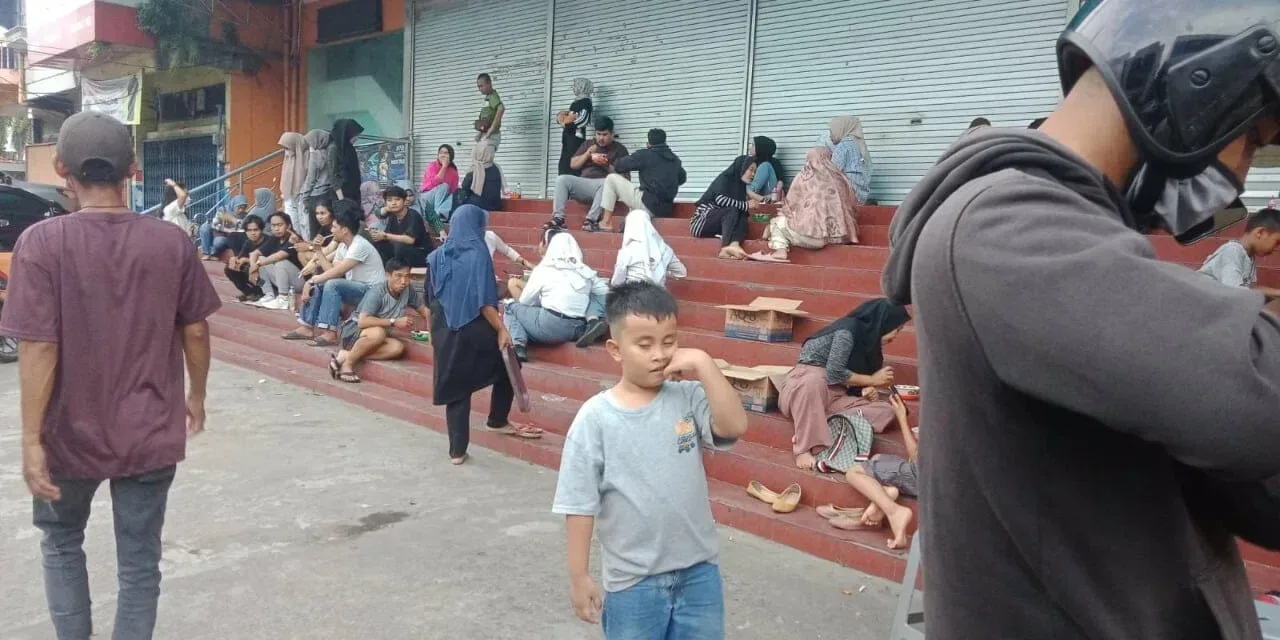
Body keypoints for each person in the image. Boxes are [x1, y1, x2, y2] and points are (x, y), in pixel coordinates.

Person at [879, 2, 1280, 638]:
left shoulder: (1075, 236)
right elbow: (1260, 404)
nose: (1239, 178)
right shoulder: (1001, 226)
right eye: (1254, 144)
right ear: (1196, 87)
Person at [0, 111, 220, 639]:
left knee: (60, 542)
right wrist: (197, 396)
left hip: (68, 433)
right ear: (133, 169)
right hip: (149, 429)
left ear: (60, 168)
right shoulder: (171, 242)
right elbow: (195, 331)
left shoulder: (41, 244)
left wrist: (30, 439)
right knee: (140, 563)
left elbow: (38, 347)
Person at [552, 281, 749, 638]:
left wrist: (703, 363)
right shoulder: (595, 419)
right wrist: (578, 576)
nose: (659, 354)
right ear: (615, 349)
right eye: (644, 344)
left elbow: (734, 426)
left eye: (668, 341)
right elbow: (578, 502)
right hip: (633, 585)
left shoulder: (687, 397)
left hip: (699, 574)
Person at [426, 204, 542, 465]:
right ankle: (497, 419)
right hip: (474, 326)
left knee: (456, 387)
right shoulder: (478, 253)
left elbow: (429, 301)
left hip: (444, 328)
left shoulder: (436, 257)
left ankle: (457, 452)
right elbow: (484, 301)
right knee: (508, 366)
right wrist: (502, 329)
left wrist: (433, 335)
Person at [779, 299, 908, 466]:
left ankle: (814, 422)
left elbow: (851, 385)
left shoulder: (871, 347)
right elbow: (834, 373)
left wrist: (865, 391)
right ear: (883, 322)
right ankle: (803, 449)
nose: (896, 335)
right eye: (896, 329)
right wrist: (873, 379)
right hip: (805, 388)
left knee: (886, 411)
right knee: (813, 382)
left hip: (836, 397)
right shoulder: (847, 330)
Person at [283, 200, 385, 347]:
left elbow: (338, 272)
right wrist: (318, 250)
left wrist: (311, 281)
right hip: (358, 288)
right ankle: (306, 327)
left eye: (334, 227)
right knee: (322, 284)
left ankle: (330, 333)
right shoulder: (344, 246)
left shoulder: (359, 245)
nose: (331, 231)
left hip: (373, 292)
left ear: (344, 230)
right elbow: (331, 270)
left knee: (330, 283)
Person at [505, 232, 606, 362]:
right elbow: (604, 292)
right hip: (579, 328)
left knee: (510, 306)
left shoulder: (544, 269)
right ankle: (592, 322)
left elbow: (525, 300)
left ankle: (519, 346)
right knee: (594, 297)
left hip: (550, 326)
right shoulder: (584, 270)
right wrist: (592, 312)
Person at [750, 147, 859, 263]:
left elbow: (789, 206)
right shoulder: (839, 178)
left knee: (777, 223)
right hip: (837, 237)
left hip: (811, 236)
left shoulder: (804, 176)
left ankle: (780, 250)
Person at [330, 258, 428, 383]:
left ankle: (346, 355)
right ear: (388, 275)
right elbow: (363, 321)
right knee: (378, 333)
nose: (403, 281)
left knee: (397, 348)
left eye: (407, 276)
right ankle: (347, 365)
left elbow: (424, 311)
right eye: (398, 276)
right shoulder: (378, 291)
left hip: (374, 335)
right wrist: (394, 322)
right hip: (353, 330)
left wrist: (436, 328)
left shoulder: (408, 290)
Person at [840, 393, 917, 550]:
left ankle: (894, 511)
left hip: (923, 477)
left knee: (854, 473)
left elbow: (916, 458)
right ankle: (887, 493)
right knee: (877, 458)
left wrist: (902, 418)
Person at [546, 117, 629, 232]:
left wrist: (606, 164)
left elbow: (625, 180)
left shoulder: (620, 150)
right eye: (598, 134)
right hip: (586, 185)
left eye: (604, 135)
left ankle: (591, 220)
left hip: (605, 188)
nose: (601, 138)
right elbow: (573, 164)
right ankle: (558, 218)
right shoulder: (589, 144)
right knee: (562, 179)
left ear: (612, 134)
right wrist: (588, 154)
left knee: (608, 182)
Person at [597, 128, 687, 227]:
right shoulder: (675, 160)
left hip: (648, 204)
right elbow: (682, 179)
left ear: (648, 143)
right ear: (664, 141)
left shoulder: (645, 155)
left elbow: (619, 166)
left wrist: (606, 160)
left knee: (611, 179)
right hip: (666, 210)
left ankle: (605, 222)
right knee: (638, 194)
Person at [1199, 208, 1280, 299]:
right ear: (1260, 233)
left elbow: (1251, 289)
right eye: (1277, 242)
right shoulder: (1232, 251)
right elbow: (1236, 293)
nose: (1275, 249)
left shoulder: (1249, 256)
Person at [690, 156, 757, 260]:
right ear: (741, 167)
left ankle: (734, 245)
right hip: (701, 221)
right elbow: (721, 200)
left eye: (755, 172)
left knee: (743, 215)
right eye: (751, 170)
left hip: (720, 224)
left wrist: (745, 208)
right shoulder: (725, 178)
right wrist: (746, 205)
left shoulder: (740, 186)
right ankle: (725, 248)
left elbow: (739, 211)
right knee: (734, 210)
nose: (753, 174)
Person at [249, 211, 306, 310]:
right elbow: (254, 253)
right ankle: (269, 294)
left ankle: (283, 299)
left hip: (299, 281)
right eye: (273, 225)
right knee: (260, 259)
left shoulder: (294, 238)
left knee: (280, 262)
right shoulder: (274, 239)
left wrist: (257, 265)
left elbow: (280, 255)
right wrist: (253, 268)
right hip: (282, 279)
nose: (276, 228)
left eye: (280, 225)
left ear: (288, 226)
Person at [370, 185, 432, 268]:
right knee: (378, 244)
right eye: (389, 200)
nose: (393, 203)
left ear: (404, 201)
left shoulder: (413, 215)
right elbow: (379, 214)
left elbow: (410, 240)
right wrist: (378, 236)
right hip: (401, 252)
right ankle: (387, 271)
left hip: (420, 253)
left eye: (397, 199)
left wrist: (385, 235)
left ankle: (400, 270)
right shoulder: (393, 215)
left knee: (400, 247)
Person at [818, 116, 872, 203]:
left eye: (832, 131)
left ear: (841, 129)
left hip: (849, 194)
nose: (831, 135)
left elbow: (832, 171)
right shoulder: (859, 143)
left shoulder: (844, 145)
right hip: (862, 193)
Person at [223, 214, 269, 302]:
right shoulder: (248, 242)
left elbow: (269, 263)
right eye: (249, 230)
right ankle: (249, 292)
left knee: (250, 268)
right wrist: (234, 260)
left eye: (256, 230)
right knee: (230, 268)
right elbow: (241, 258)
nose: (252, 233)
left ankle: (261, 292)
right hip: (254, 272)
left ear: (262, 230)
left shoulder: (268, 241)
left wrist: (247, 261)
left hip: (267, 277)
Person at [299, 128, 334, 237]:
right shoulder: (332, 151)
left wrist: (305, 197)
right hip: (328, 193)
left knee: (314, 230)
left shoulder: (316, 155)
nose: (311, 144)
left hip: (315, 195)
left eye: (311, 141)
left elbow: (311, 178)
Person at [558, 78, 594, 176]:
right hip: (568, 138)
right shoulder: (576, 102)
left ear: (581, 87)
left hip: (576, 140)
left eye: (574, 86)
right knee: (564, 164)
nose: (573, 88)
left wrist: (568, 124)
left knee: (573, 163)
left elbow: (583, 119)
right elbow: (568, 117)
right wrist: (563, 119)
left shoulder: (585, 101)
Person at [278, 131, 311, 239]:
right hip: (290, 197)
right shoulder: (288, 158)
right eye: (285, 148)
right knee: (292, 223)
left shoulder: (308, 156)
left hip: (304, 196)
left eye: (288, 147)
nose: (286, 151)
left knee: (305, 224)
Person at [418, 144, 459, 226]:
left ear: (451, 156)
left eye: (446, 153)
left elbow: (452, 191)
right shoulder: (432, 166)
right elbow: (433, 183)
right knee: (444, 186)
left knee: (457, 193)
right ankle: (436, 218)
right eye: (440, 153)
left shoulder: (453, 172)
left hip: (440, 201)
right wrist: (444, 167)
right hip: (426, 197)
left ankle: (442, 215)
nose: (443, 155)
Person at [457, 140, 504, 212]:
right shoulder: (496, 168)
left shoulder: (475, 168)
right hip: (496, 206)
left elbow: (465, 188)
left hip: (478, 206)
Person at [198, 194, 249, 260]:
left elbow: (242, 230)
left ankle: (215, 254)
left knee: (219, 241)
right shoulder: (223, 210)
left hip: (226, 239)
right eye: (239, 207)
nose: (241, 210)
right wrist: (227, 230)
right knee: (204, 227)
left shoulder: (245, 216)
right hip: (216, 233)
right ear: (233, 205)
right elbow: (215, 224)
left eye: (244, 208)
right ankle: (206, 253)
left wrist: (234, 221)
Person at [329, 118, 364, 202]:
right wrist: (342, 200)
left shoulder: (350, 148)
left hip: (354, 193)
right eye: (355, 135)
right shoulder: (334, 149)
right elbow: (334, 175)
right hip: (341, 195)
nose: (357, 138)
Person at [746, 136, 782, 203]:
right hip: (757, 196)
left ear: (760, 147)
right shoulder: (750, 162)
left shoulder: (774, 162)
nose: (750, 148)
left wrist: (774, 196)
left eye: (753, 145)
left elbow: (780, 184)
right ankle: (750, 194)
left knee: (765, 165)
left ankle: (749, 194)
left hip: (769, 194)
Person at [475, 73, 505, 150]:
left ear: (489, 83)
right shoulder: (488, 97)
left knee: (484, 159)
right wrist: (480, 132)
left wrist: (491, 129)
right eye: (478, 87)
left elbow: (501, 108)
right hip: (484, 132)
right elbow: (486, 116)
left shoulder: (493, 96)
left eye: (481, 86)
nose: (480, 89)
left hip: (491, 134)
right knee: (479, 158)